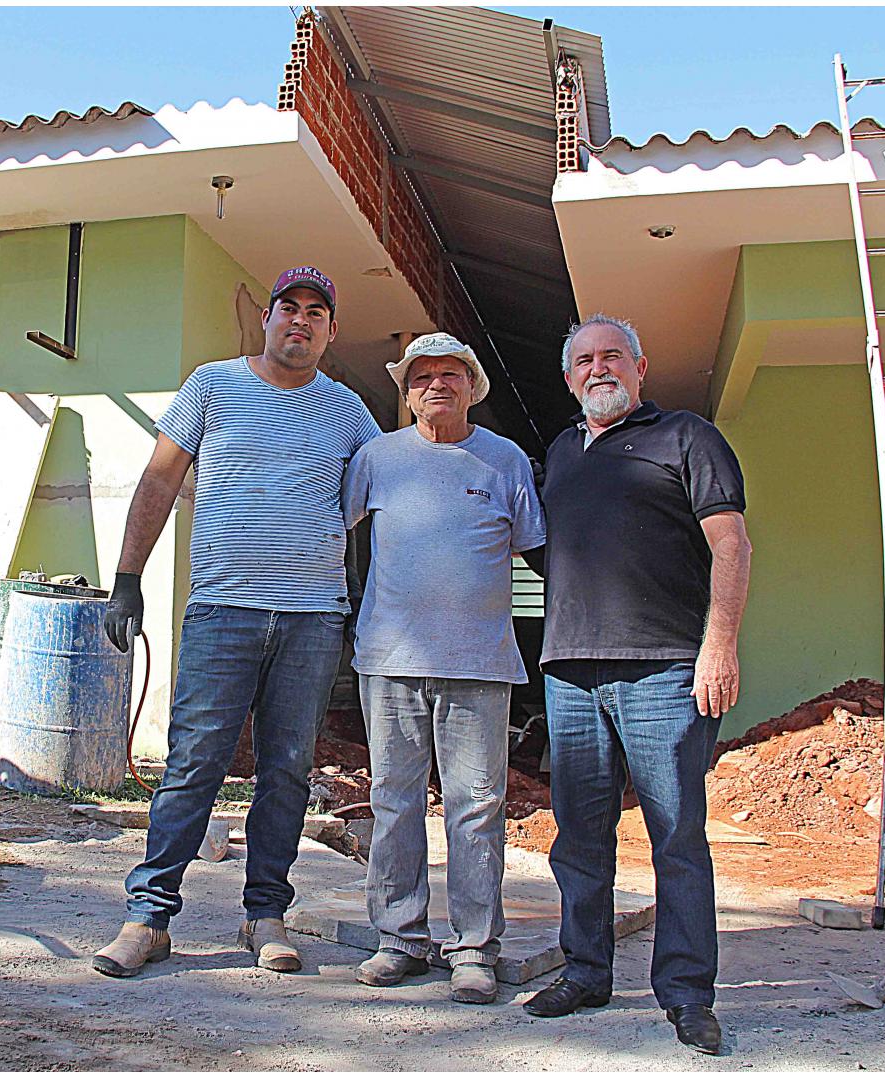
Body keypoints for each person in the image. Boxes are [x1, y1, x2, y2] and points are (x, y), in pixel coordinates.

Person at [91, 266, 382, 978]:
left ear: (331, 330)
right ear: (269, 317)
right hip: (223, 612)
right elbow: (160, 479)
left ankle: (266, 917)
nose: (301, 321)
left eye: (318, 311)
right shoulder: (212, 385)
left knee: (286, 772)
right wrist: (127, 580)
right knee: (194, 765)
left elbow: (380, 500)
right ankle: (148, 917)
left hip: (314, 620)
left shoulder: (349, 413)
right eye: (290, 307)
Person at [522, 313, 751, 1055]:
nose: (599, 368)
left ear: (640, 366)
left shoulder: (686, 438)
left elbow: (731, 544)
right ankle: (586, 971)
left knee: (676, 837)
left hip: (666, 670)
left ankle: (686, 994)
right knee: (579, 838)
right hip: (572, 676)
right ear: (568, 378)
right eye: (584, 360)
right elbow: (550, 554)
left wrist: (720, 644)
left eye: (613, 354)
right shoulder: (558, 452)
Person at [342, 332, 545, 1005]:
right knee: (394, 802)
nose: (436, 384)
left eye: (451, 374)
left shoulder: (505, 461)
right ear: (406, 393)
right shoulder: (376, 458)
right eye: (422, 375)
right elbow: (335, 537)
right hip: (390, 661)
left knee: (477, 807)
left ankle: (474, 948)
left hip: (480, 664)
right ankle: (398, 938)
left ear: (472, 386)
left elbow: (539, 553)